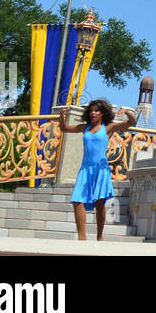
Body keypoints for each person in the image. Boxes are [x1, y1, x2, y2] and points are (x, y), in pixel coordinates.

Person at [58, 99, 137, 241]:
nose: (93, 113)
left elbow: (132, 123)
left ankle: (100, 236)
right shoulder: (84, 128)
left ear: (103, 113)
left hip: (101, 170)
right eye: (91, 110)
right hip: (85, 169)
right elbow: (64, 129)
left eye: (97, 110)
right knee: (77, 201)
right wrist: (61, 117)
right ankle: (82, 238)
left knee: (99, 203)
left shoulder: (108, 128)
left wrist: (126, 112)